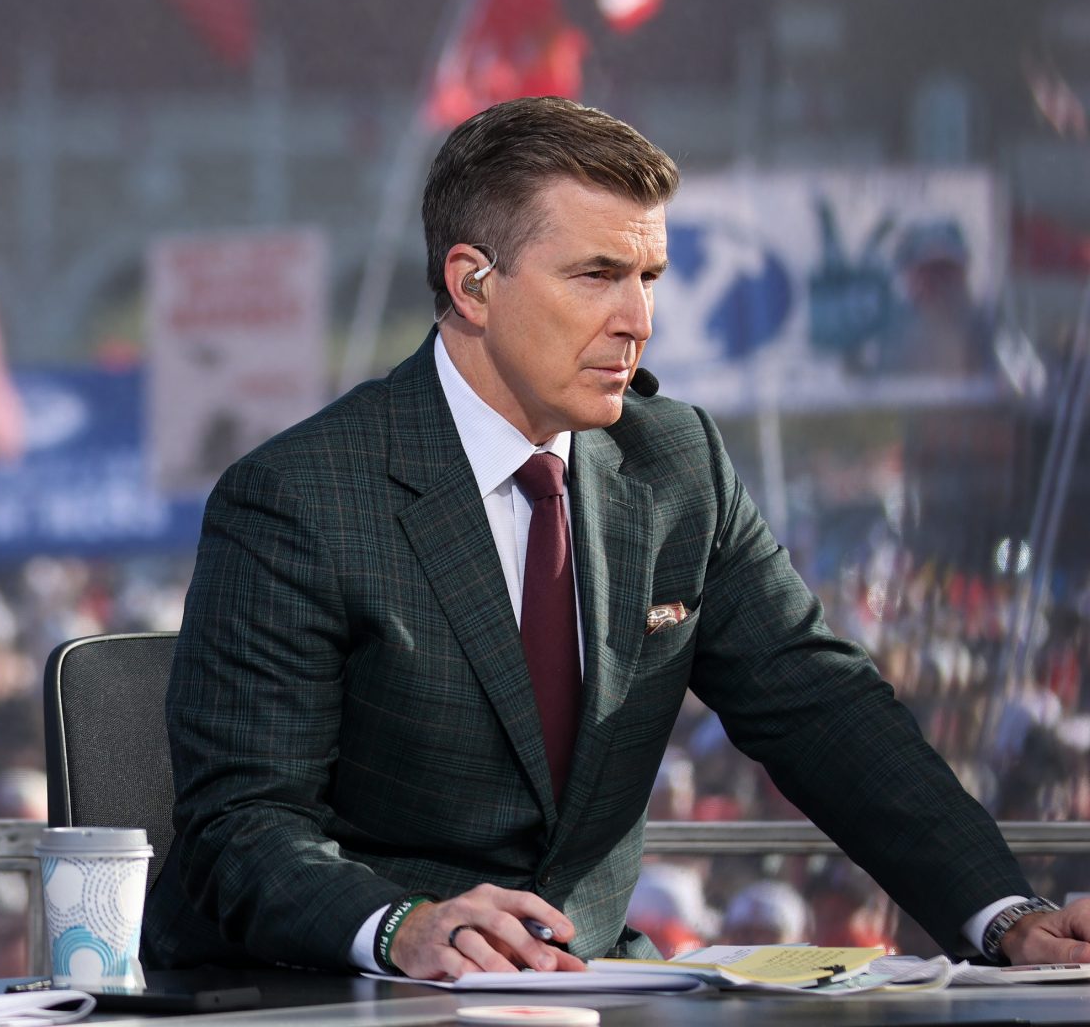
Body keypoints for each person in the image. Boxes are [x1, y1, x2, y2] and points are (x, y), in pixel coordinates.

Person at [145, 96, 1090, 979]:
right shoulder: (297, 497)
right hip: (335, 993)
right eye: (597, 275)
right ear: (473, 284)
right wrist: (402, 927)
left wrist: (1003, 914)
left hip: (594, 981)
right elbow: (244, 825)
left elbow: (821, 707)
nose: (638, 321)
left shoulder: (677, 459)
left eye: (649, 277)